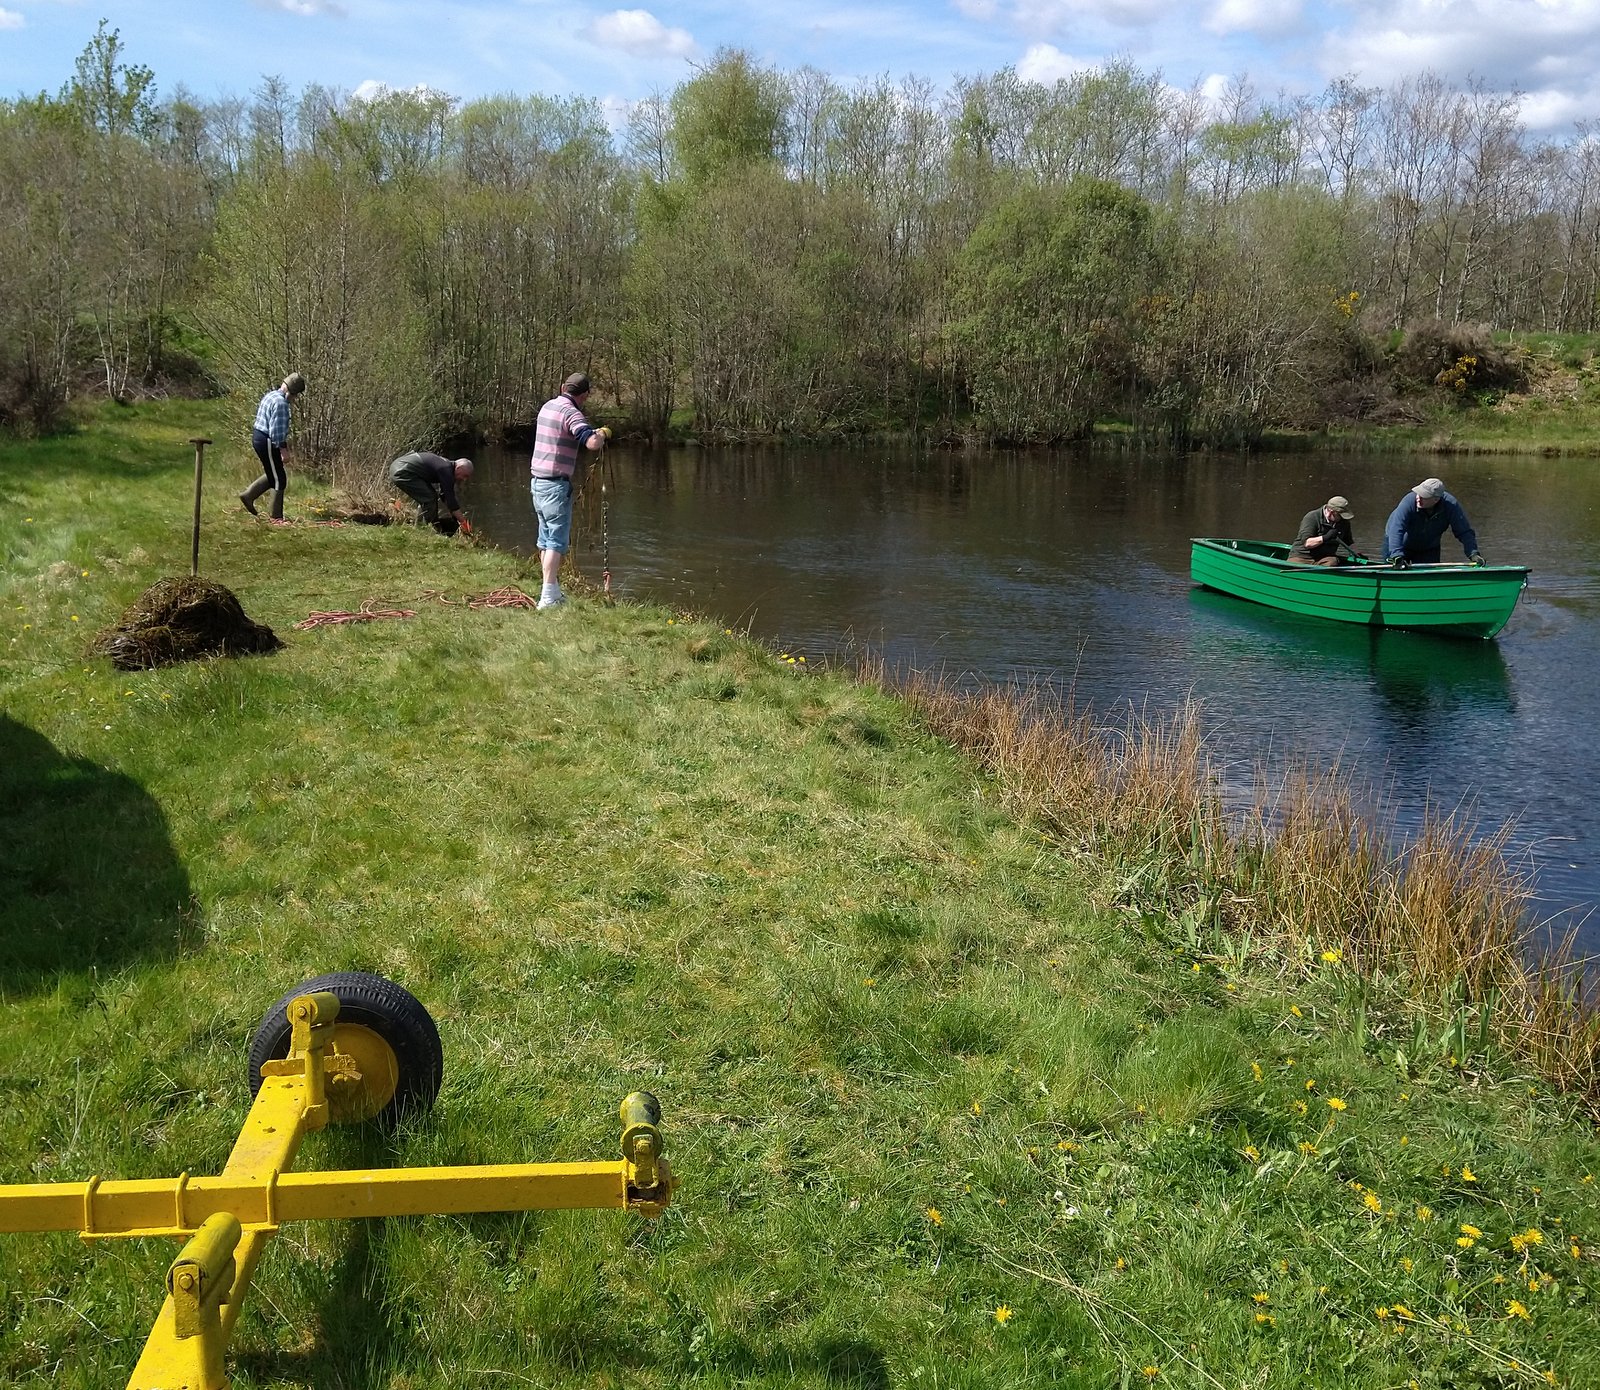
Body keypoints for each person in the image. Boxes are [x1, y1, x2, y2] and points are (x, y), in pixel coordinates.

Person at [529, 371, 610, 610]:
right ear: (584, 395)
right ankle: (547, 597)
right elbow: (591, 443)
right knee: (555, 541)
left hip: (537, 481)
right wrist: (602, 434)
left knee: (545, 540)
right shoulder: (570, 412)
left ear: (563, 387)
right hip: (555, 484)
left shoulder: (547, 407)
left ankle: (551, 590)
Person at [240, 372, 307, 520]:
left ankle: (248, 495)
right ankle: (276, 518)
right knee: (279, 479)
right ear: (291, 392)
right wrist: (283, 450)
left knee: (274, 473)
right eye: (296, 396)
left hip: (259, 437)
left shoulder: (271, 395)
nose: (295, 399)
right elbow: (276, 431)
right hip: (267, 441)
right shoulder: (281, 403)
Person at [1383, 477, 1483, 568]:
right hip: (1398, 544)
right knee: (1396, 571)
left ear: (1436, 499)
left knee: (1426, 578)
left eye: (1424, 496)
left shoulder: (1450, 506)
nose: (1418, 498)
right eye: (1418, 493)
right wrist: (1396, 555)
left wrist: (1473, 554)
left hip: (1428, 548)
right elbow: (1396, 530)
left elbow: (1464, 532)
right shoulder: (1409, 502)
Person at [388, 452, 474, 536]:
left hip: (399, 466)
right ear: (459, 468)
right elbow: (450, 500)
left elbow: (444, 495)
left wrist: (455, 518)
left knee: (428, 496)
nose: (464, 479)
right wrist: (464, 523)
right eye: (465, 475)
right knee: (429, 498)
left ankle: (421, 524)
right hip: (402, 472)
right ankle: (429, 530)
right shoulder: (446, 470)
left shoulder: (446, 466)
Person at [1289, 495, 1358, 566]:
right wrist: (1326, 537)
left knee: (1333, 561)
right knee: (1294, 564)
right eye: (1340, 515)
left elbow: (1349, 542)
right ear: (1331, 512)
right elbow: (1307, 543)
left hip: (1324, 558)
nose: (1342, 518)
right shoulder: (1312, 517)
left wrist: (1358, 553)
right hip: (1302, 557)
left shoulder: (1344, 522)